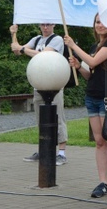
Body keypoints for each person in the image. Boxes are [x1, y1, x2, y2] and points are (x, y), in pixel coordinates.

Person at [65, 15, 107, 200]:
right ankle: (103, 182)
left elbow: (94, 62)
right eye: (96, 22)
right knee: (99, 141)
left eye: (103, 22)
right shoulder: (95, 47)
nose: (99, 25)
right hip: (93, 97)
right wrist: (79, 67)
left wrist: (73, 46)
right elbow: (91, 74)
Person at [10, 23, 68, 165]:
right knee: (41, 119)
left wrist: (22, 49)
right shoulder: (36, 39)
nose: (45, 27)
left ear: (53, 25)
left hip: (54, 84)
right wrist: (13, 34)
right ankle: (44, 149)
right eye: (43, 25)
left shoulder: (57, 39)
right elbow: (16, 50)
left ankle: (61, 153)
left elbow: (45, 54)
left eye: (48, 24)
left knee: (58, 117)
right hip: (39, 85)